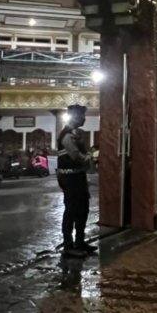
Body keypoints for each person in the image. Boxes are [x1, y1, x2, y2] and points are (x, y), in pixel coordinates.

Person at [57, 105, 96, 257]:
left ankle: (80, 242)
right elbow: (76, 156)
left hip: (78, 176)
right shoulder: (67, 135)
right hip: (70, 178)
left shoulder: (75, 134)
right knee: (72, 210)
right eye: (82, 116)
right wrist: (90, 157)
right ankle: (68, 246)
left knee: (83, 209)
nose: (84, 119)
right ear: (74, 117)